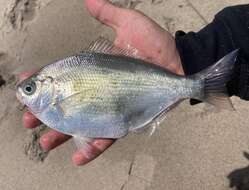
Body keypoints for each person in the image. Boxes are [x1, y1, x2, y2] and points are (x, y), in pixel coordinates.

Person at [20, 0, 249, 166]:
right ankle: (200, 84)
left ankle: (199, 85)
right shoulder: (52, 101)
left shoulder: (56, 91)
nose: (24, 93)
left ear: (51, 84)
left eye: (30, 89)